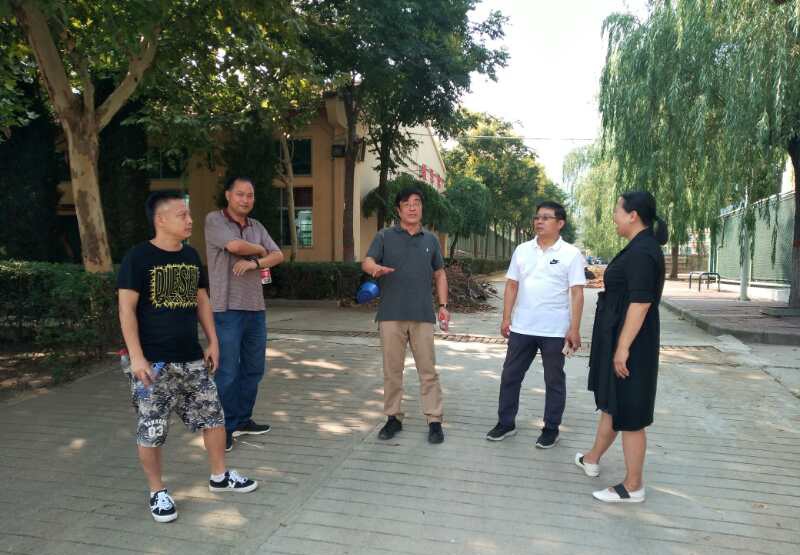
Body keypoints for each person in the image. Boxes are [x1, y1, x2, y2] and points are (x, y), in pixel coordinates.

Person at [118, 190, 257, 524]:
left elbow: (202, 301)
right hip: (152, 363)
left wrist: (213, 342)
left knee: (214, 417)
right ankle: (157, 491)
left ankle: (219, 475)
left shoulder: (191, 255)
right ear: (160, 219)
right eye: (182, 214)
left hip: (191, 358)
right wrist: (136, 357)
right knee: (152, 428)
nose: (190, 220)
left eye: (189, 214)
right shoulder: (138, 257)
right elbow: (126, 310)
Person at [575, 191, 667, 503]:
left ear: (633, 215)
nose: (614, 216)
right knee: (613, 405)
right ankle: (592, 458)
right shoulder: (640, 246)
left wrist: (623, 347)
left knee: (631, 414)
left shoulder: (642, 252)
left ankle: (633, 486)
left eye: (617, 210)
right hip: (622, 338)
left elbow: (640, 304)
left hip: (633, 345)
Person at [486, 201, 586, 448]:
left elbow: (577, 293)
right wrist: (506, 317)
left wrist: (574, 328)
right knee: (510, 376)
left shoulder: (571, 254)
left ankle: (551, 428)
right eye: (537, 217)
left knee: (554, 380)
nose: (539, 221)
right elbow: (512, 285)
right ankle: (506, 423)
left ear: (560, 223)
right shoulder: (522, 250)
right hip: (522, 328)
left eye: (546, 217)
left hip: (555, 330)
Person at [362, 187, 450, 444]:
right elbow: (367, 262)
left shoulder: (431, 240)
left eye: (417, 203)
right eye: (406, 203)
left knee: (428, 370)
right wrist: (375, 268)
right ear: (398, 210)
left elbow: (440, 273)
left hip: (423, 315)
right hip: (391, 315)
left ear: (421, 208)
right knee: (392, 371)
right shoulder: (384, 236)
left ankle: (434, 420)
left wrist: (443, 305)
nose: (412, 207)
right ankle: (393, 418)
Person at [205, 176, 284, 451]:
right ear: (228, 195)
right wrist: (260, 249)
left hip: (255, 309)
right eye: (240, 194)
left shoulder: (256, 225)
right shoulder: (215, 220)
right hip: (226, 309)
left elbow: (278, 255)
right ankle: (223, 428)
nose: (245, 200)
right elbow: (235, 247)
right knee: (227, 371)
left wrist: (255, 263)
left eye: (250, 195)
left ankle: (241, 419)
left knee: (253, 369)